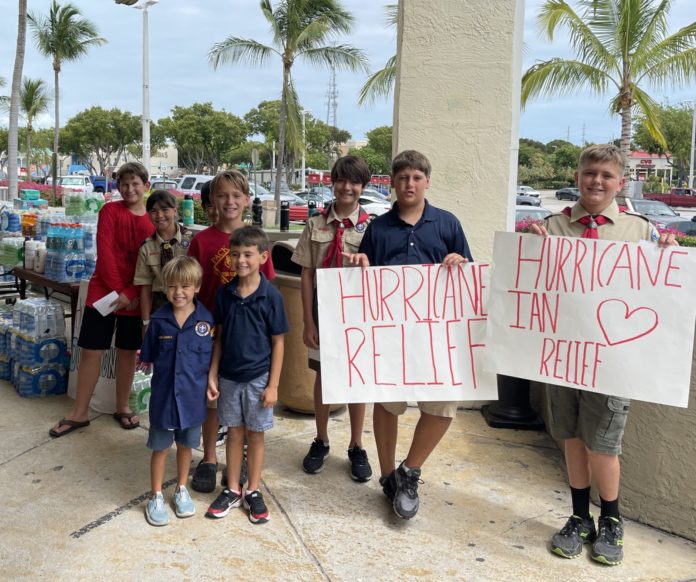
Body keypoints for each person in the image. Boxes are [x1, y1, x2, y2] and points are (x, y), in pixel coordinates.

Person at [530, 144, 677, 566]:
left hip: (613, 363)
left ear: (620, 182)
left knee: (604, 445)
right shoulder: (551, 227)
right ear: (578, 177)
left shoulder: (640, 232)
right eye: (589, 173)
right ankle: (579, 517)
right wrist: (528, 248)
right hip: (563, 358)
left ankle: (611, 519)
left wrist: (668, 248)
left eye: (606, 176)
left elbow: (662, 287)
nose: (596, 181)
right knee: (572, 438)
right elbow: (529, 281)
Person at [344, 150, 474, 520]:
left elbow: (467, 276)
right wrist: (360, 266)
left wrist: (459, 263)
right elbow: (364, 282)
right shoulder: (379, 229)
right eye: (402, 178)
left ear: (427, 182)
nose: (409, 184)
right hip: (390, 336)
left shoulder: (447, 224)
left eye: (416, 178)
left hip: (435, 336)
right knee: (388, 403)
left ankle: (409, 470)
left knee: (444, 405)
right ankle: (387, 476)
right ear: (393, 183)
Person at [50, 162, 156, 437]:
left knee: (127, 352)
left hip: (135, 296)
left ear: (146, 186)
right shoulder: (109, 210)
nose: (130, 188)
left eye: (135, 183)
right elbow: (105, 253)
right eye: (124, 183)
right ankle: (79, 412)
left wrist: (131, 294)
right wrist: (120, 292)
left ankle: (122, 407)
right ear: (117, 187)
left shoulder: (153, 221)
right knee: (91, 351)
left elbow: (152, 265)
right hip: (105, 292)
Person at [187, 170, 276, 493]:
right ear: (212, 201)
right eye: (223, 195)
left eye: (236, 195)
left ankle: (239, 465)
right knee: (212, 399)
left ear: (247, 200)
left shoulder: (256, 240)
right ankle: (209, 457)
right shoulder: (202, 240)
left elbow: (268, 288)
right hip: (210, 332)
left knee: (247, 400)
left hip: (247, 337)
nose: (230, 201)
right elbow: (191, 287)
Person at [291, 155, 373, 481]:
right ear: (333, 182)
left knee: (355, 381)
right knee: (323, 376)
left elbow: (378, 275)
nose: (347, 187)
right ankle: (321, 439)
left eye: (354, 182)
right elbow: (307, 275)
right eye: (342, 180)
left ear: (363, 187)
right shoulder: (315, 225)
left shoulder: (373, 227)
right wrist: (308, 322)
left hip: (357, 317)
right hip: (322, 314)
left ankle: (356, 445)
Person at [205, 226, 288, 524]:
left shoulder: (271, 297)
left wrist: (273, 385)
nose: (241, 260)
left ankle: (253, 489)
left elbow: (279, 342)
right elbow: (219, 337)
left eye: (248, 255)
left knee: (255, 434)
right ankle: (232, 488)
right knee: (234, 432)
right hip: (228, 377)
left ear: (263, 257)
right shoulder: (224, 294)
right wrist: (212, 374)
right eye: (236, 254)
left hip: (258, 379)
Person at [139, 256, 214, 526]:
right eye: (172, 286)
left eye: (185, 286)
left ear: (197, 287)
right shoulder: (158, 322)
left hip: (193, 400)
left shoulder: (206, 321)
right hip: (163, 399)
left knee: (186, 446)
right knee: (160, 448)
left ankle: (181, 489)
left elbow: (212, 359)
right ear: (164, 288)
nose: (178, 292)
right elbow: (147, 357)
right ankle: (156, 494)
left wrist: (213, 381)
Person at [133, 190, 194, 327]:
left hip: (189, 304)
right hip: (160, 306)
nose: (160, 215)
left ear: (174, 210)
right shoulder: (147, 248)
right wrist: (146, 322)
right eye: (153, 211)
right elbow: (145, 287)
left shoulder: (191, 240)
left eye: (165, 209)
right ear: (148, 214)